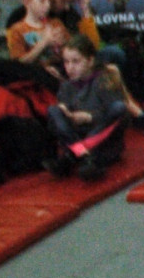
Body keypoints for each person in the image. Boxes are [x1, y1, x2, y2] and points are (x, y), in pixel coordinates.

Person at [46, 35, 129, 181]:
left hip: (102, 142)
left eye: (76, 62)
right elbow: (63, 116)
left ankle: (76, 155)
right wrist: (66, 113)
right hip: (78, 135)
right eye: (66, 62)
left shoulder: (104, 80)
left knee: (119, 108)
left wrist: (89, 117)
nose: (70, 67)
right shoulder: (66, 86)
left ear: (90, 61)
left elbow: (120, 118)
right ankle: (84, 156)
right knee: (53, 111)